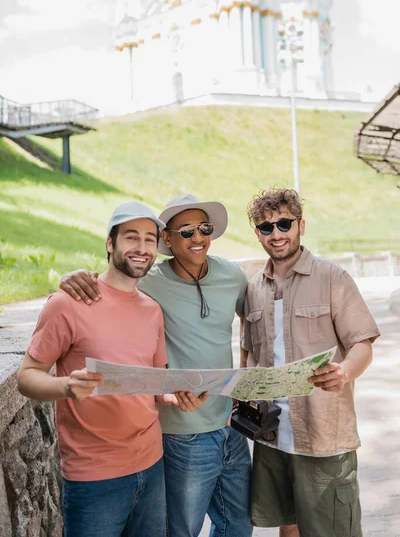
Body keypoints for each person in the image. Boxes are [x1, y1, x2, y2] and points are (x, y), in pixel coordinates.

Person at [59, 194, 254, 537]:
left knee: (238, 525)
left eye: (204, 229)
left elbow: (253, 325)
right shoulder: (150, 282)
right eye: (187, 231)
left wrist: (244, 375)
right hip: (182, 433)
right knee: (182, 530)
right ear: (167, 239)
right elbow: (110, 283)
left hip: (231, 427)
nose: (198, 238)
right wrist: (70, 278)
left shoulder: (233, 276)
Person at [17, 201, 193, 537]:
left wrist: (176, 396)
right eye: (131, 237)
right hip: (93, 477)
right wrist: (67, 386)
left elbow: (155, 385)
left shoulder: (152, 310)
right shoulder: (68, 303)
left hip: (151, 465)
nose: (141, 248)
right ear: (110, 243)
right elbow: (27, 377)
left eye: (149, 239)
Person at [241, 188, 380, 537]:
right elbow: (249, 354)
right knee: (288, 524)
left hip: (323, 435)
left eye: (284, 223)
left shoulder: (333, 278)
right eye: (266, 227)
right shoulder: (254, 289)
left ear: (301, 225)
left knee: (332, 530)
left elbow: (362, 344)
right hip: (271, 436)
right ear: (257, 233)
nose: (276, 234)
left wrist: (345, 372)